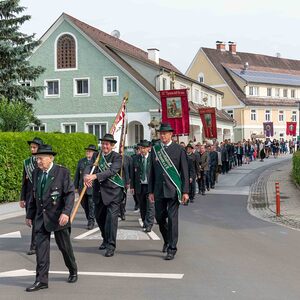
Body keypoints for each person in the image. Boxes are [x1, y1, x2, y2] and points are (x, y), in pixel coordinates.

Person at [25, 144, 78, 292]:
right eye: (37, 159)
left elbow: (69, 194)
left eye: (41, 159)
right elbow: (34, 196)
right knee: (41, 250)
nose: (38, 162)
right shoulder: (36, 173)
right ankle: (41, 280)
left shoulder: (62, 172)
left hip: (58, 217)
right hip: (41, 217)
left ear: (50, 158)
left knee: (65, 248)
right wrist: (30, 215)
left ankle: (73, 269)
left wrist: (66, 213)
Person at [148, 123, 189, 260]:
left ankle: (172, 248)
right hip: (159, 190)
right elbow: (151, 171)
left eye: (165, 133)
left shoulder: (179, 150)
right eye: (161, 133)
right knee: (159, 218)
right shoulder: (155, 150)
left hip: (173, 190)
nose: (162, 135)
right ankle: (166, 240)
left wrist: (185, 191)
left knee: (172, 219)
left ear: (171, 134)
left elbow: (184, 172)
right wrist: (151, 191)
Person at [84, 134, 123, 258]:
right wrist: (86, 175)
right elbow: (89, 167)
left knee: (111, 220)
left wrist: (94, 177)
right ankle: (105, 239)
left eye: (107, 144)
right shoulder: (97, 155)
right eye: (103, 144)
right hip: (99, 193)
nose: (105, 146)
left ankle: (111, 245)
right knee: (99, 218)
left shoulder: (117, 157)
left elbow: (111, 171)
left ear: (112, 145)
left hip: (113, 193)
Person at [20, 137, 44, 255]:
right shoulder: (27, 163)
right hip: (30, 197)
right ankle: (34, 245)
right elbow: (24, 182)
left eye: (34, 147)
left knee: (39, 221)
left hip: (41, 196)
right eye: (31, 147)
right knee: (33, 221)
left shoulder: (44, 161)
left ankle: (37, 245)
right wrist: (22, 198)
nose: (32, 149)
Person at [131, 140, 154, 232]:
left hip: (150, 186)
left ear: (149, 148)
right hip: (140, 186)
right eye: (140, 148)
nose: (142, 150)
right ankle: (144, 221)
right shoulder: (136, 158)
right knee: (142, 206)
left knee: (150, 206)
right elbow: (133, 173)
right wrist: (132, 186)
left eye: (144, 148)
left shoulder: (152, 158)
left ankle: (149, 223)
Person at [74, 144, 98, 230]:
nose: (88, 152)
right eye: (87, 151)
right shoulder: (81, 161)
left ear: (94, 153)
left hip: (92, 187)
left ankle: (91, 221)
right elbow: (77, 174)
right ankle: (89, 218)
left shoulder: (96, 162)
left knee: (91, 205)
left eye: (90, 151)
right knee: (85, 205)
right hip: (82, 187)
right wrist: (75, 186)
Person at [131, 145, 141, 211]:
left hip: (141, 179)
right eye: (136, 150)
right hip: (135, 178)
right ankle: (137, 204)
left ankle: (139, 205)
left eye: (138, 149)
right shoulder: (133, 157)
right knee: (135, 194)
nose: (137, 151)